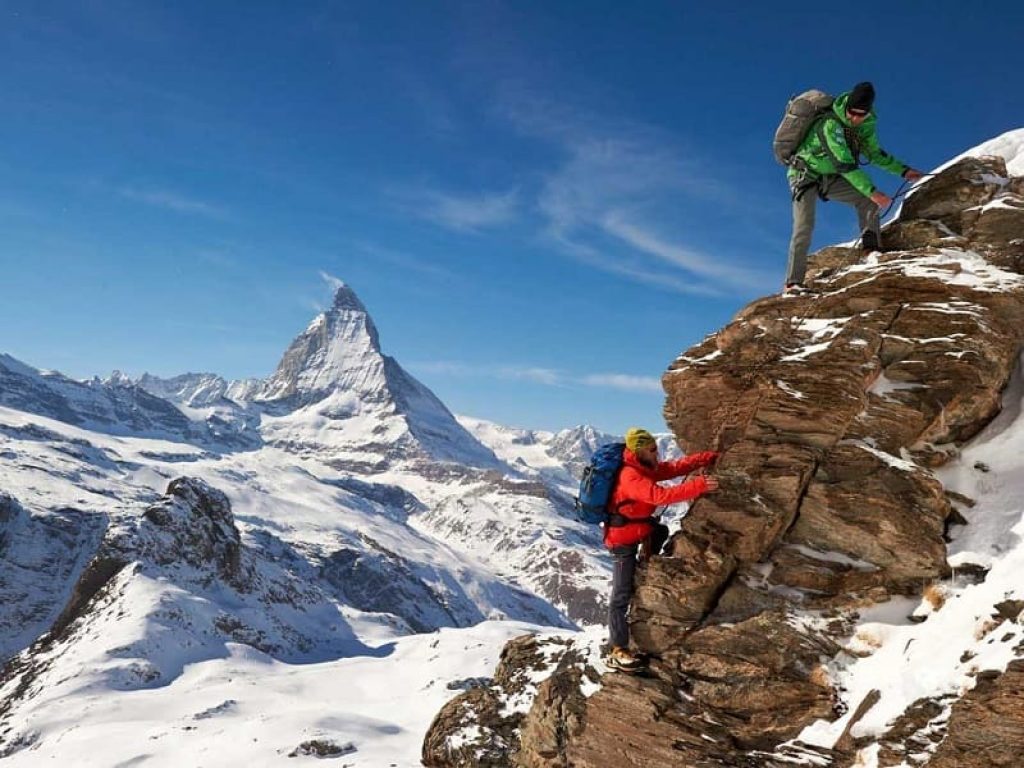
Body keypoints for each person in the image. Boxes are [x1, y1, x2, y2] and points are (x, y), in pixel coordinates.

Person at [785, 81, 924, 294]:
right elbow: (844, 163)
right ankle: (793, 283)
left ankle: (871, 249)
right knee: (804, 225)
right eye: (852, 112)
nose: (855, 118)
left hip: (829, 176)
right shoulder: (830, 124)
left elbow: (875, 153)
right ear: (847, 106)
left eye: (861, 114)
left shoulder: (866, 125)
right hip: (804, 174)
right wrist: (873, 191)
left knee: (866, 201)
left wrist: (904, 171)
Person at [604, 427, 719, 672]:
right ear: (639, 451)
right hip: (622, 541)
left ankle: (645, 565)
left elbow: (673, 468)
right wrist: (699, 486)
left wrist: (704, 458)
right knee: (620, 595)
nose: (657, 453)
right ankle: (617, 649)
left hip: (640, 530)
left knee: (661, 531)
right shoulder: (630, 476)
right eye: (653, 449)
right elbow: (659, 497)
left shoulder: (643, 467)